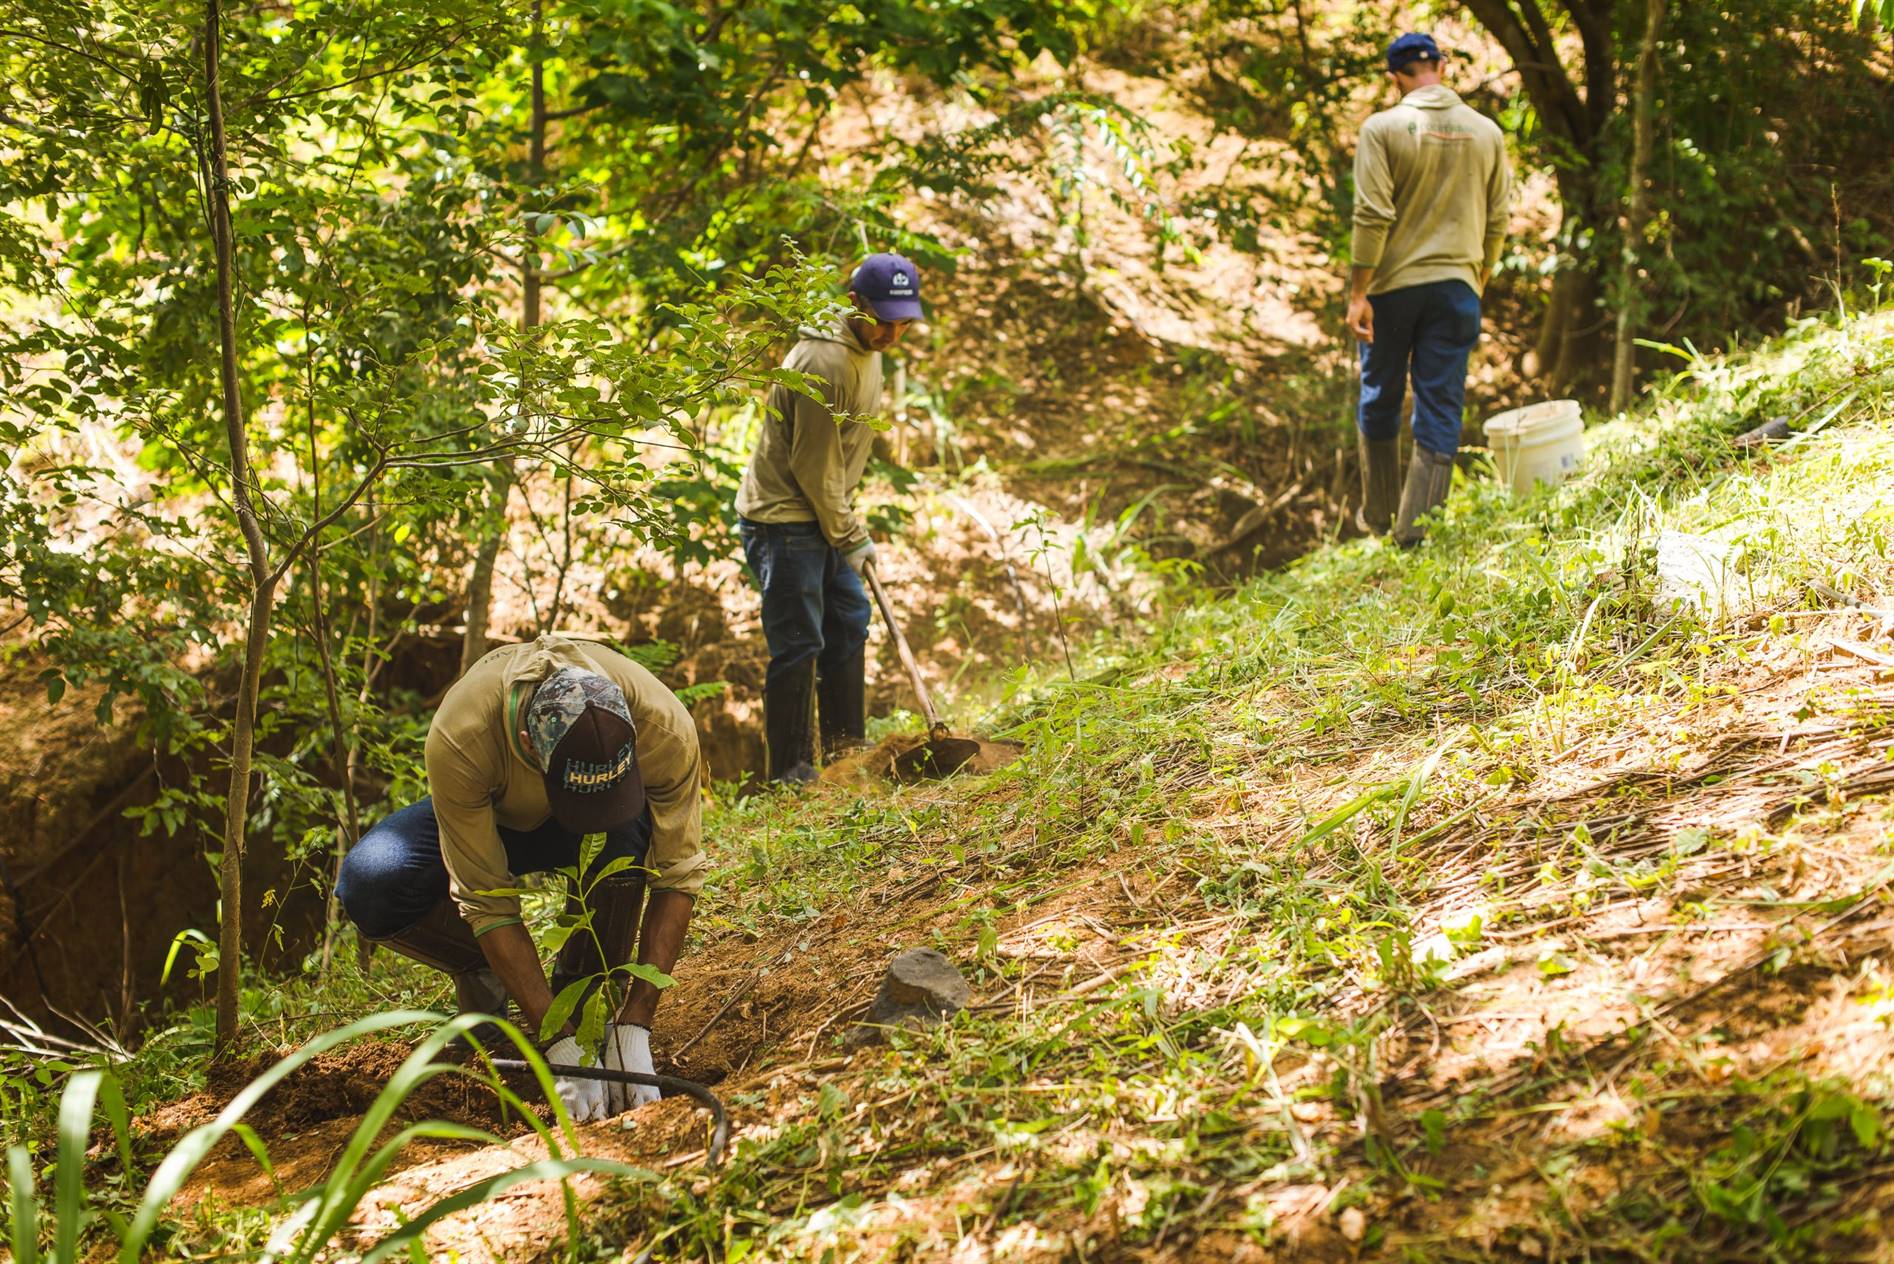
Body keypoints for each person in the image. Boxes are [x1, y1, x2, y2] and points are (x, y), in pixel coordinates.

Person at [336, 633, 707, 1122]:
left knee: (626, 835)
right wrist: (556, 1042)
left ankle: (591, 991)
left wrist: (637, 1023)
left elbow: (678, 875)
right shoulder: (463, 735)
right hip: (497, 818)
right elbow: (485, 898)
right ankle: (492, 976)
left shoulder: (663, 725)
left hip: (605, 829)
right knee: (372, 881)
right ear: (529, 744)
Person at [735, 253, 922, 783]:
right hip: (784, 519)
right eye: (883, 319)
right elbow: (812, 465)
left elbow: (837, 459)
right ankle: (791, 775)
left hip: (824, 511)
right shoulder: (824, 362)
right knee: (799, 642)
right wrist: (850, 533)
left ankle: (847, 756)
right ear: (853, 304)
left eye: (902, 321)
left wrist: (843, 524)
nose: (892, 332)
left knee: (848, 620)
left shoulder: (871, 348)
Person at [1348, 32, 1512, 546]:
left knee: (1381, 396)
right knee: (1440, 404)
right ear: (1442, 66)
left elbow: (1372, 214)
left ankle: (1378, 517)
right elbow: (1499, 219)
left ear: (1393, 75)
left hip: (1393, 288)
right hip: (1458, 287)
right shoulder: (1487, 132)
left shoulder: (1383, 128)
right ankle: (1413, 534)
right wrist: (1476, 279)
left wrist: (1358, 292)